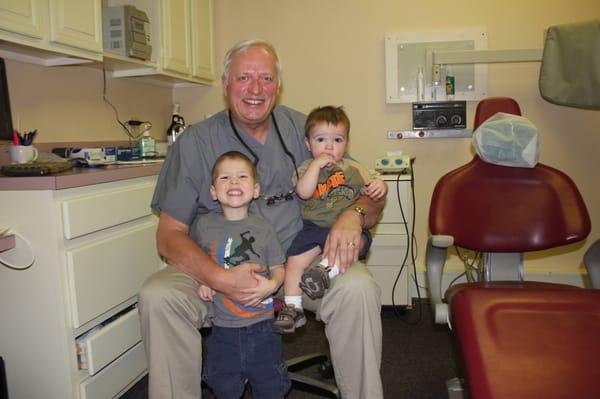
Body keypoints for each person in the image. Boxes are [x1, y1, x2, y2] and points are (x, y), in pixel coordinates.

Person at [138, 39, 385, 399]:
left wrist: (354, 213)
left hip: (302, 260)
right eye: (244, 78)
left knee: (358, 290)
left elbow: (368, 193)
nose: (255, 89)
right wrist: (219, 277)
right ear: (225, 85)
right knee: (158, 296)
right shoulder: (194, 143)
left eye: (266, 78)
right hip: (216, 263)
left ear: (278, 87)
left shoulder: (309, 130)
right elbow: (169, 235)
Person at [273, 105, 387, 333]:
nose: (329, 147)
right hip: (314, 227)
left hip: (345, 229)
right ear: (308, 144)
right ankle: (293, 307)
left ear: (346, 143)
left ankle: (324, 272)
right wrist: (315, 166)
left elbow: (372, 185)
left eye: (337, 140)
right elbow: (304, 192)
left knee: (348, 248)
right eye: (321, 140)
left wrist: (379, 185)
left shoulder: (353, 168)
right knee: (294, 261)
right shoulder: (305, 168)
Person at [195, 151, 290, 398]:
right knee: (223, 384)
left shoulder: (264, 228)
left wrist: (271, 285)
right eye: (225, 177)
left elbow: (280, 268)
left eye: (242, 177)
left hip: (263, 328)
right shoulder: (204, 226)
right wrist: (203, 279)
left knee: (270, 384)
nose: (234, 182)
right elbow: (196, 261)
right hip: (223, 329)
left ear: (256, 189)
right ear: (214, 192)